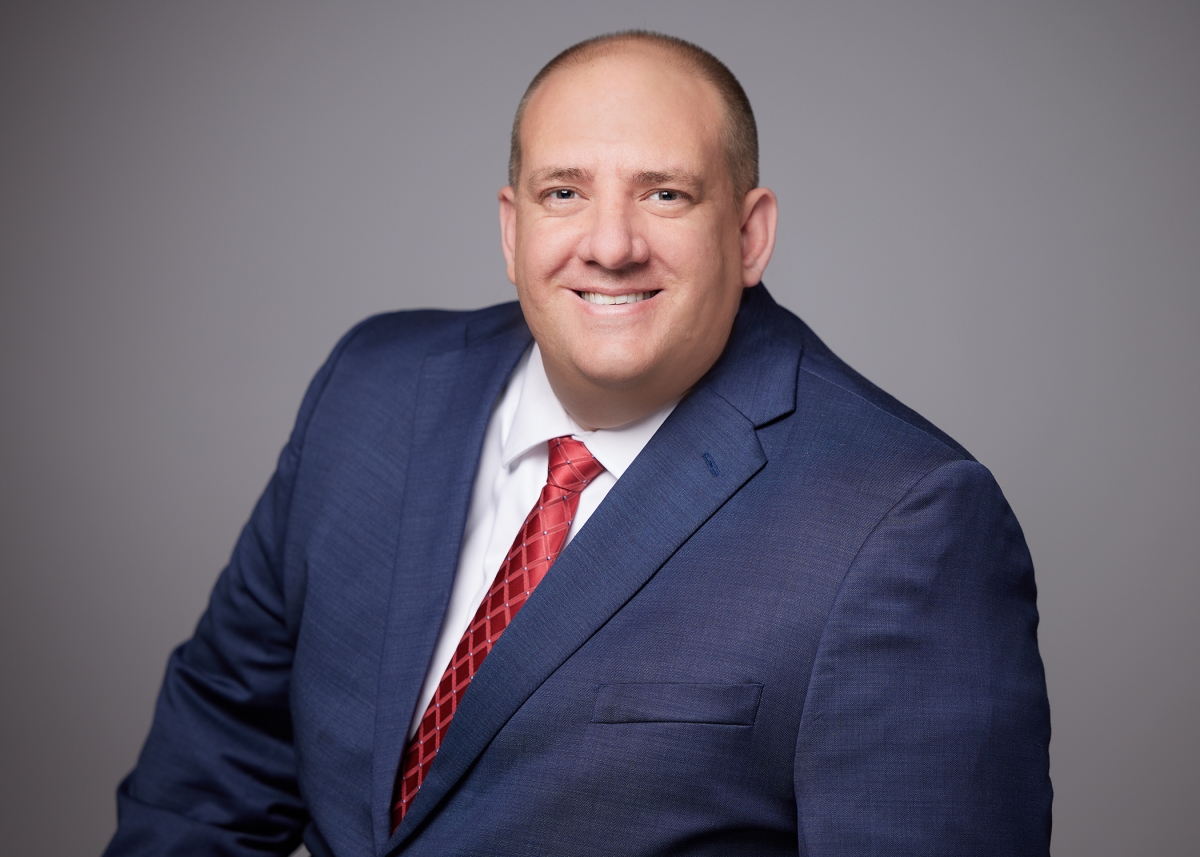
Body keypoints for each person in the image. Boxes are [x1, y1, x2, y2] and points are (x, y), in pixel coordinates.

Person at [104, 31, 1052, 857]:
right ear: (512, 226)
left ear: (750, 234)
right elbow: (214, 764)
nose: (610, 244)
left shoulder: (905, 519)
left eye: (666, 194)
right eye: (564, 192)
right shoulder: (370, 391)